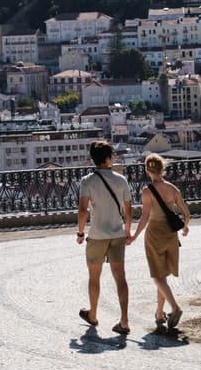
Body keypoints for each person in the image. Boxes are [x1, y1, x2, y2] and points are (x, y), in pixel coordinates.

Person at [77, 141, 133, 335]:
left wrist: (80, 232)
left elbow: (83, 210)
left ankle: (93, 314)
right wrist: (127, 230)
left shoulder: (87, 181)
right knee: (120, 278)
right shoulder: (121, 180)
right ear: (109, 158)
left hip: (97, 235)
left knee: (94, 277)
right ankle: (124, 321)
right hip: (117, 234)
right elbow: (128, 208)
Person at [130, 153, 190, 332]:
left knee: (157, 276)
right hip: (171, 235)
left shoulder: (147, 191)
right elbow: (186, 213)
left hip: (154, 234)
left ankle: (175, 308)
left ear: (148, 171)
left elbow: (145, 217)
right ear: (162, 169)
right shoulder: (173, 189)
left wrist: (134, 236)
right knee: (162, 276)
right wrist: (185, 228)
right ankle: (159, 313)